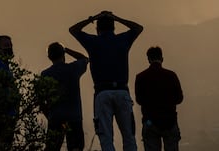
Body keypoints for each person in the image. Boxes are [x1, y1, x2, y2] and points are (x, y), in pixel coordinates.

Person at [69, 11, 143, 151]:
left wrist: (93, 17)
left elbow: (73, 30)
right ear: (114, 28)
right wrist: (117, 17)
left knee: (106, 138)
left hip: (102, 93)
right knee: (129, 136)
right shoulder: (123, 39)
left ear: (97, 29)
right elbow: (138, 28)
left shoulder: (93, 42)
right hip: (122, 91)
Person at [41, 42, 89, 151]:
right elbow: (84, 59)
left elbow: (40, 100)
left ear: (49, 57)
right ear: (63, 54)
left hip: (56, 117)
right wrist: (66, 49)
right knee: (75, 148)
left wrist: (50, 116)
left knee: (52, 148)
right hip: (74, 117)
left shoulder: (45, 74)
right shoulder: (73, 68)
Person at [135, 46, 183, 151]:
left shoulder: (141, 77)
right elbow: (179, 98)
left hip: (150, 121)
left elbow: (139, 100)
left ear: (148, 59)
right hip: (169, 121)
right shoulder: (171, 76)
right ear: (162, 58)